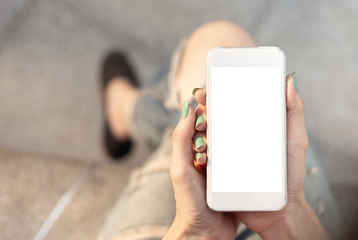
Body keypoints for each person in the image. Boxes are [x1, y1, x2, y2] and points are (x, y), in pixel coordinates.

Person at [98, 21, 330, 239]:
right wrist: (289, 220)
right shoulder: (285, 211)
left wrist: (194, 231)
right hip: (282, 218)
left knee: (197, 107)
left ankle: (126, 107)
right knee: (215, 105)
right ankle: (127, 108)